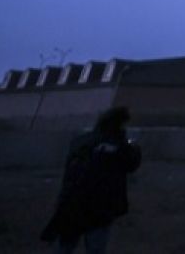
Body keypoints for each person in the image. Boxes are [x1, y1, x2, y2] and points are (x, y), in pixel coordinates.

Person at [41, 106, 142, 253]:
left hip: (73, 202)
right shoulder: (118, 146)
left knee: (65, 245)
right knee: (95, 247)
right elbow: (132, 163)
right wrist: (132, 146)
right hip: (101, 206)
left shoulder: (82, 141)